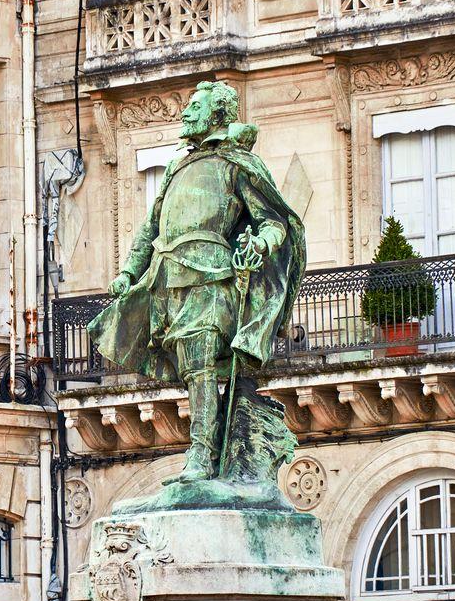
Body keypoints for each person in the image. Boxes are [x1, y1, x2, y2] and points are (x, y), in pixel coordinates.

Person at [87, 81, 306, 485]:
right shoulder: (175, 167)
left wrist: (261, 242)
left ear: (217, 115)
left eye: (195, 107)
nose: (186, 113)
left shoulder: (236, 164)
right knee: (191, 367)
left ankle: (202, 455)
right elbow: (149, 229)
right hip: (168, 276)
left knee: (201, 358)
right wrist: (129, 273)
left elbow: (275, 221)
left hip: (213, 274)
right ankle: (211, 446)